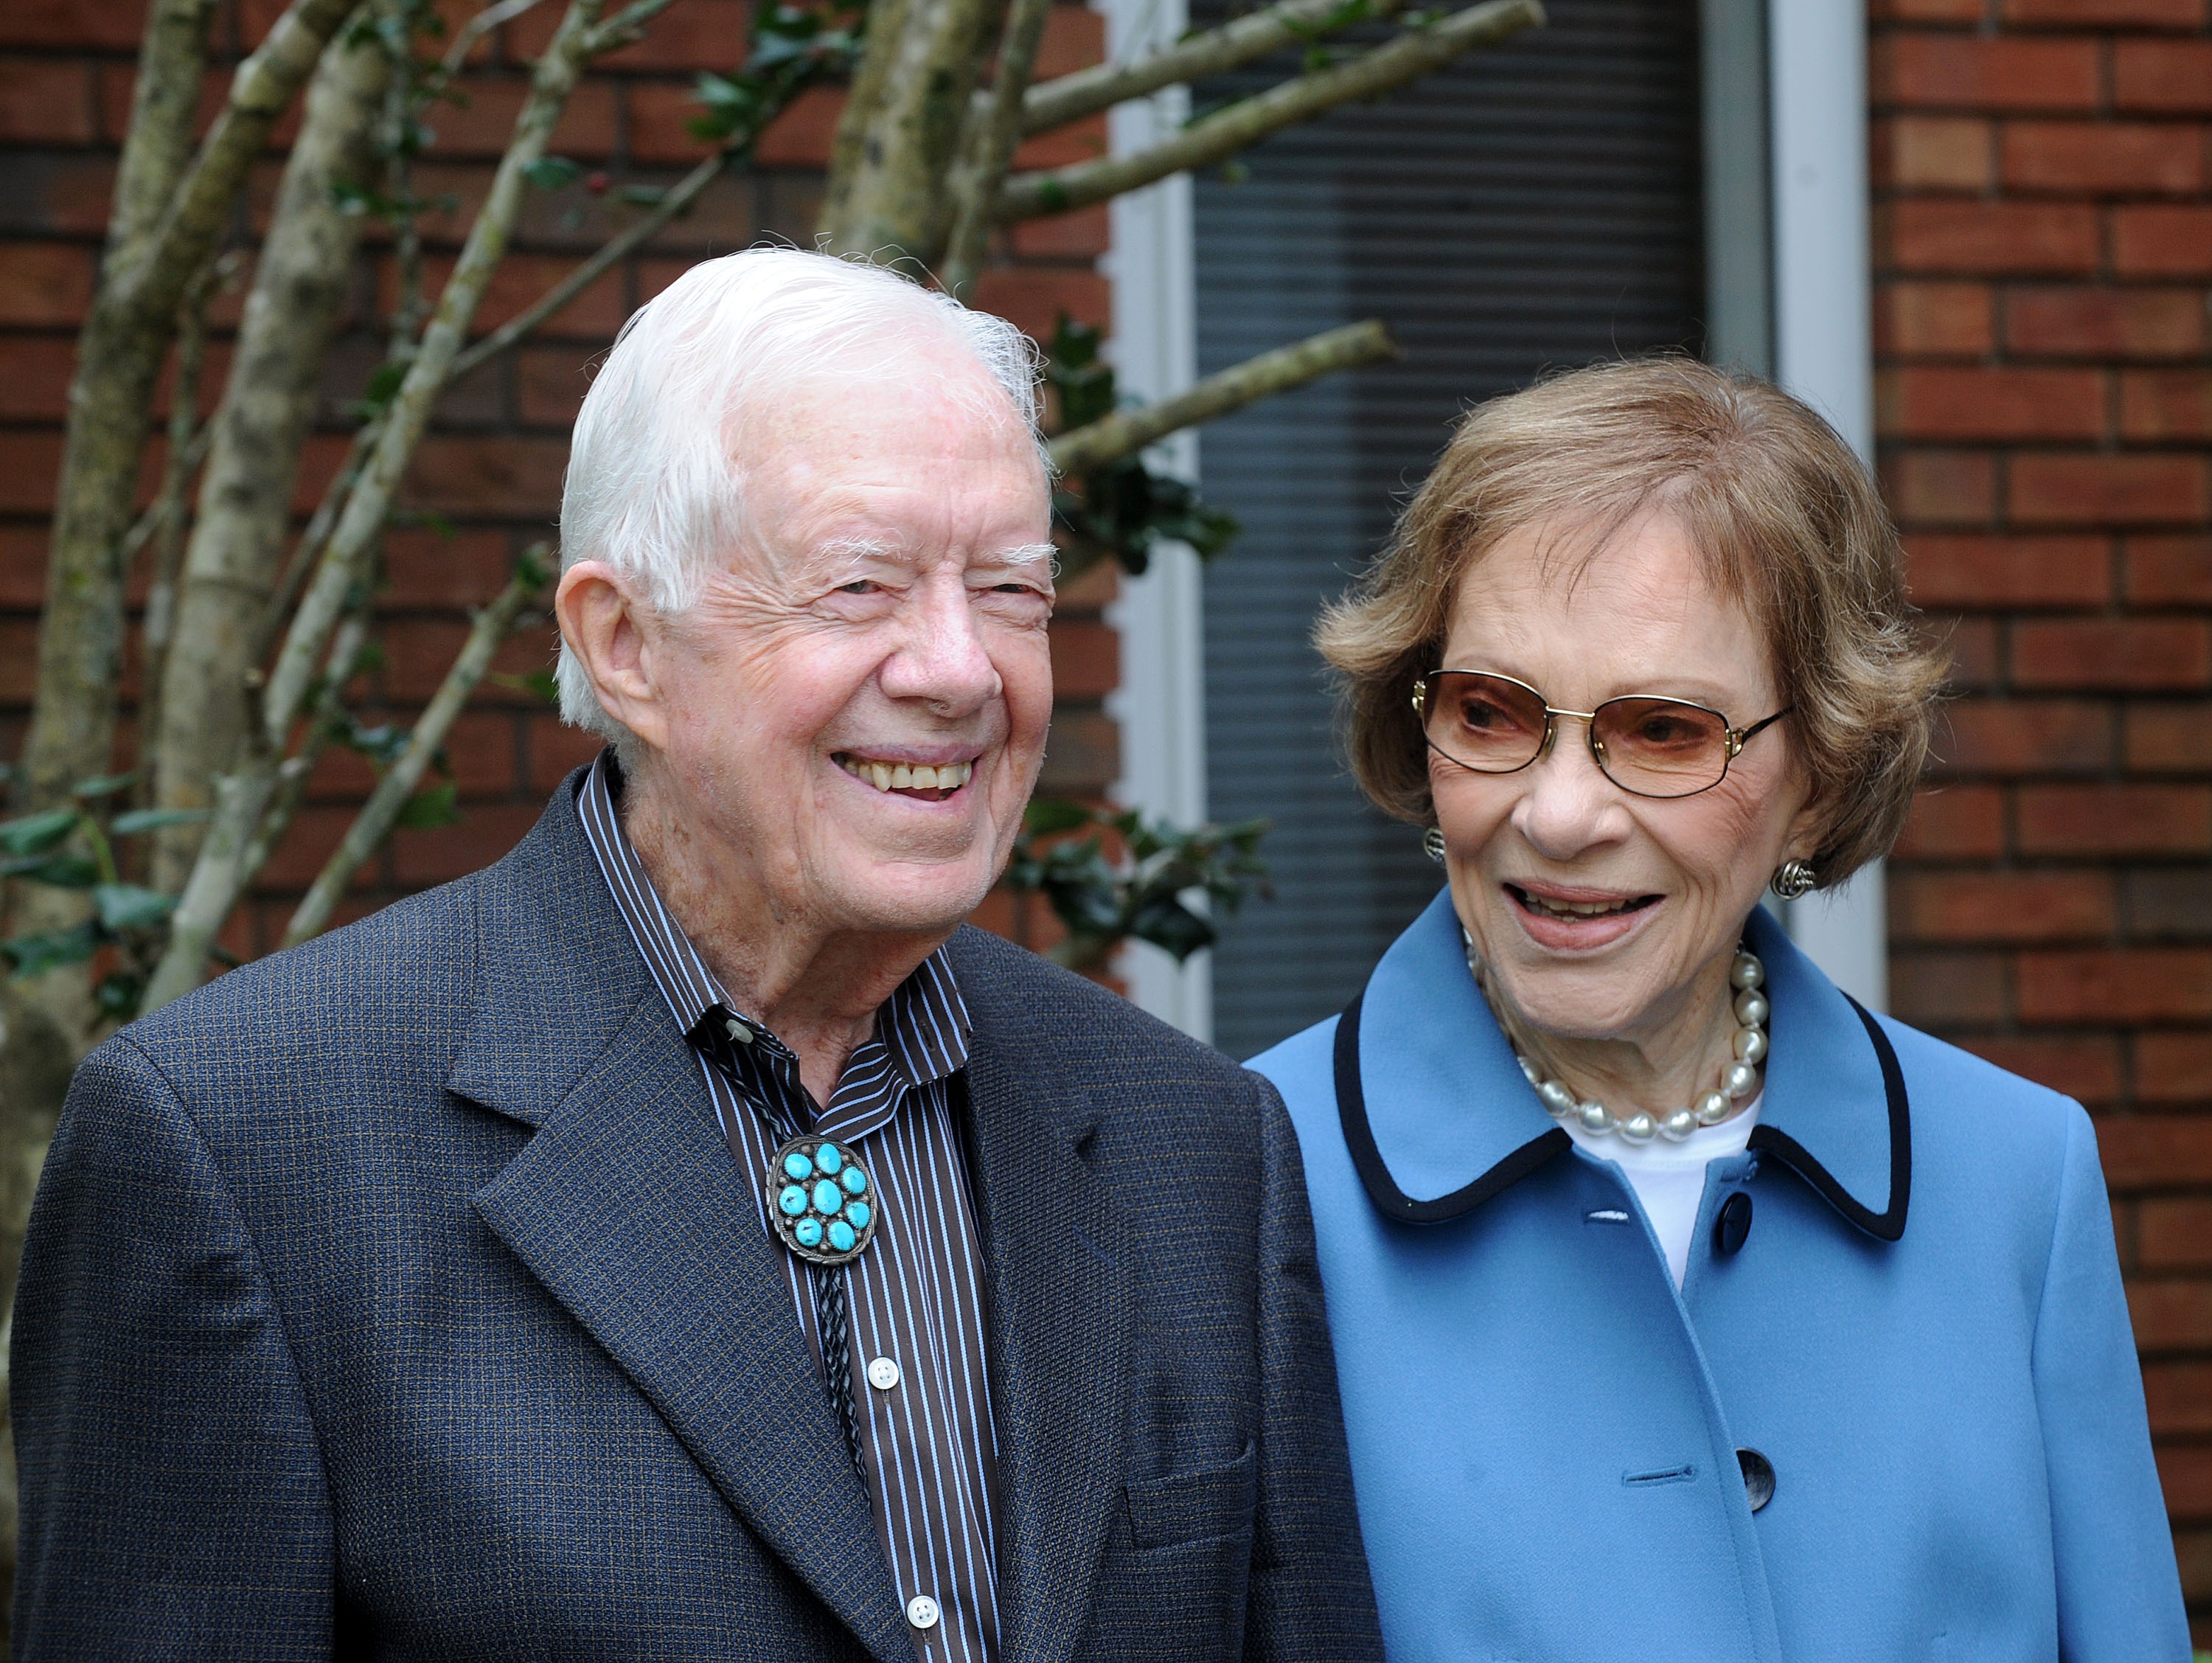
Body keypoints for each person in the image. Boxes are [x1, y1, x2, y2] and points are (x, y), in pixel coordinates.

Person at [12, 249, 1384, 1662]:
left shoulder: (1197, 1142)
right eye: (860, 587)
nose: (961, 670)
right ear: (624, 647)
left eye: (1012, 593)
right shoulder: (246, 1148)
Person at [1251, 356, 2189, 1661]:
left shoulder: (2016, 1179)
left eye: (1666, 733)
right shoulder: (1237, 1186)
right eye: (1492, 712)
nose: (1560, 813)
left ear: (1819, 778)